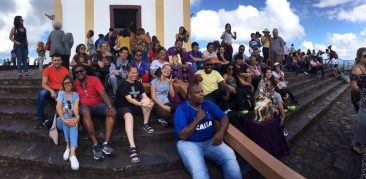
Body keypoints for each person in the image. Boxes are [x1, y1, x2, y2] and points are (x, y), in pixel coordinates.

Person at [173, 75, 242, 179]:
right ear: (190, 96)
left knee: (229, 155)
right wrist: (197, 120)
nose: (201, 94)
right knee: (199, 171)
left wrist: (220, 133)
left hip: (210, 141)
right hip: (189, 143)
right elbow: (182, 135)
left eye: (202, 91)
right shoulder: (181, 109)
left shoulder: (207, 103)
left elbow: (224, 117)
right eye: (197, 93)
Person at [74, 65, 116, 160]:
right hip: (85, 107)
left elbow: (103, 93)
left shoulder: (94, 79)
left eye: (81, 70)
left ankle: (106, 143)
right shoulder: (75, 84)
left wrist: (110, 106)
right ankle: (95, 144)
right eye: (76, 72)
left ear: (85, 71)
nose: (79, 73)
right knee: (84, 110)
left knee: (112, 112)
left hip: (98, 105)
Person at [115, 64, 155, 163]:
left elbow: (144, 96)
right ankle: (132, 147)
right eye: (132, 72)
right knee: (129, 117)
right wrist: (143, 105)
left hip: (134, 106)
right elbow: (130, 100)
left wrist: (149, 102)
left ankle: (145, 124)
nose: (135, 74)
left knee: (147, 100)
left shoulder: (138, 83)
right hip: (122, 107)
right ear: (127, 73)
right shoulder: (123, 84)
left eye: (136, 72)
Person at [36, 53, 69, 129]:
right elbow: (43, 84)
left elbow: (67, 84)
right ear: (52, 60)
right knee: (42, 93)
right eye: (55, 60)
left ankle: (52, 119)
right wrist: (51, 91)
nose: (56, 62)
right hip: (51, 91)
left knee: (62, 95)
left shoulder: (65, 70)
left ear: (61, 61)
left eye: (58, 60)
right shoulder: (47, 70)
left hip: (61, 90)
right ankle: (39, 119)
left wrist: (59, 92)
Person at [56, 75, 80, 170]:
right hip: (60, 122)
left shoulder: (75, 95)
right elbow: (58, 107)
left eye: (69, 82)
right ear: (63, 85)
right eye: (66, 83)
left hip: (71, 120)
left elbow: (76, 108)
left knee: (73, 119)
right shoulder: (61, 93)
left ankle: (72, 152)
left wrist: (77, 117)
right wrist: (63, 119)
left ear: (72, 84)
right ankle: (68, 145)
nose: (68, 85)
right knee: (66, 113)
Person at [350, 48, 366, 178]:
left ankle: (358, 141)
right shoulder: (356, 68)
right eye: (365, 56)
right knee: (362, 121)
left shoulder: (365, 67)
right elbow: (354, 86)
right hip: (359, 97)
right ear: (359, 57)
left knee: (362, 123)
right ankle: (356, 144)